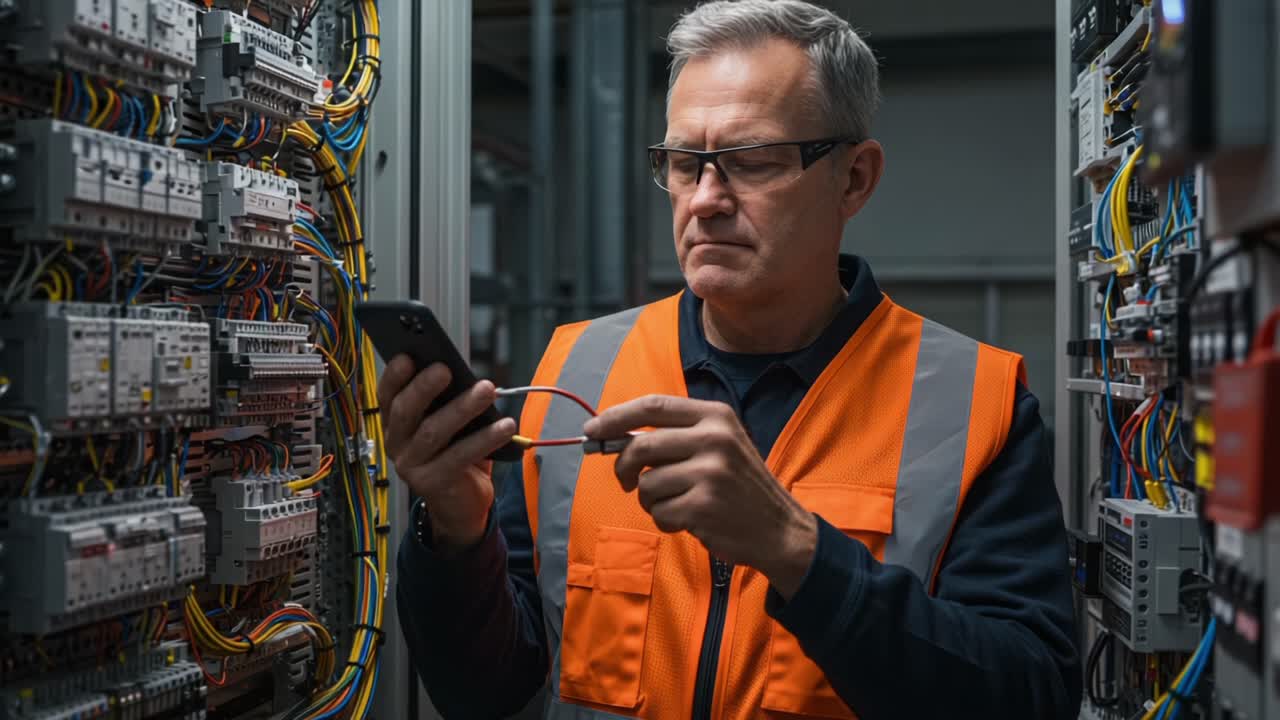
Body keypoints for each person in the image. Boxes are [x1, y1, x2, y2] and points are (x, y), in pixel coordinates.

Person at [380, 1, 1081, 718]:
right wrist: (458, 532)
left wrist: (797, 551)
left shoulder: (972, 402)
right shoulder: (576, 369)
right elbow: (488, 692)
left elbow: (1029, 695)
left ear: (854, 179)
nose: (707, 201)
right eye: (685, 164)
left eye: (752, 162)